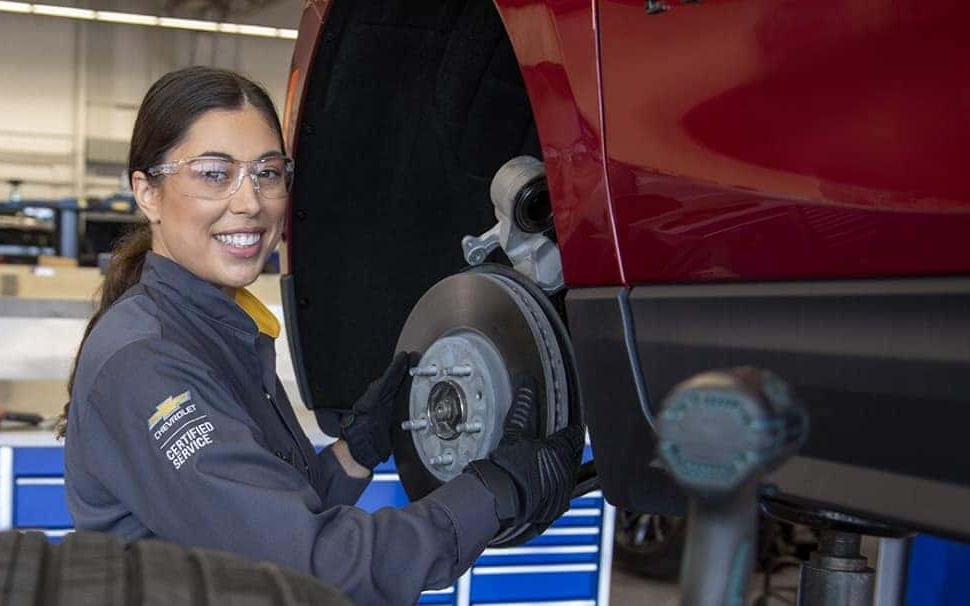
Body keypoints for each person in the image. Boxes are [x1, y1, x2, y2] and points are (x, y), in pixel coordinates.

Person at [59, 66, 585, 605]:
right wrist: (495, 490)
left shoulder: (216, 329)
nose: (250, 202)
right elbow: (311, 567)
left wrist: (356, 450)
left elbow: (268, 513)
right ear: (147, 192)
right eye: (214, 173)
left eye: (268, 172)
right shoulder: (147, 364)